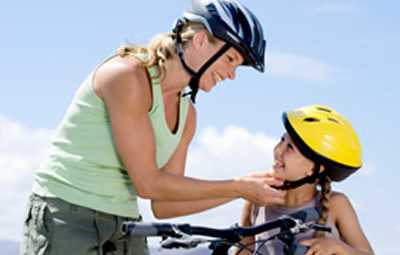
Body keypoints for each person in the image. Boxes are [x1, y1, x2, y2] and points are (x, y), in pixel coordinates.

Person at [20, 0, 286, 254]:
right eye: (230, 60)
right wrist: (237, 187)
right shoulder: (127, 76)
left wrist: (243, 191)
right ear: (200, 40)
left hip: (124, 223)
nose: (231, 75)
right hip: (66, 214)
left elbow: (165, 204)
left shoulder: (187, 114)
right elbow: (148, 184)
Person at [237, 105, 374, 255]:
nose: (277, 150)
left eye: (290, 147)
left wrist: (338, 247)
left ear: (314, 168)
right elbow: (243, 250)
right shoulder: (256, 200)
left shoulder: (337, 204)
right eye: (281, 140)